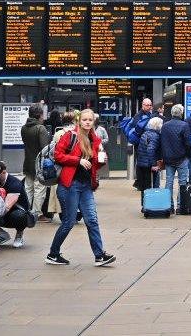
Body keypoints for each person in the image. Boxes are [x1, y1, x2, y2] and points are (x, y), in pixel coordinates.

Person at [46, 108, 115, 267]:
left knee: (92, 220)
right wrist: (77, 161)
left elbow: (95, 165)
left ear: (93, 121)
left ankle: (99, 256)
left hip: (86, 186)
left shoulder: (95, 139)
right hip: (70, 185)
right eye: (85, 120)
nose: (88, 122)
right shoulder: (70, 136)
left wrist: (101, 159)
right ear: (79, 121)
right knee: (68, 222)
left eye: (90, 120)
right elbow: (58, 155)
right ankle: (53, 253)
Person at [0, 160, 34, 248]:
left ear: (3, 172)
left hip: (15, 211)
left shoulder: (14, 183)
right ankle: (2, 234)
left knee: (19, 216)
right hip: (0, 210)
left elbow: (7, 207)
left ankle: (19, 236)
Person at [20, 104, 51, 223]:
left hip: (27, 162)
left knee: (28, 188)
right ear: (39, 115)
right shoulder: (40, 128)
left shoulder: (24, 128)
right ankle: (37, 214)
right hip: (39, 164)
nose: (44, 116)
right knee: (39, 189)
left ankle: (25, 212)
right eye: (42, 114)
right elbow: (44, 149)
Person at [160, 104, 191, 212]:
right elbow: (188, 143)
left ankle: (169, 206)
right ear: (181, 113)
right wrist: (187, 155)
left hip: (168, 158)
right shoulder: (184, 125)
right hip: (182, 158)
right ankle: (180, 206)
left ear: (172, 113)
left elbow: (162, 142)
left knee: (169, 182)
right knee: (182, 182)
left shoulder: (165, 125)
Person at [135, 117, 164, 192]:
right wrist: (154, 164)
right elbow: (150, 149)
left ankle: (144, 201)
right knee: (149, 186)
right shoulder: (155, 136)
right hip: (148, 164)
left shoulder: (145, 133)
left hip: (142, 163)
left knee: (144, 187)